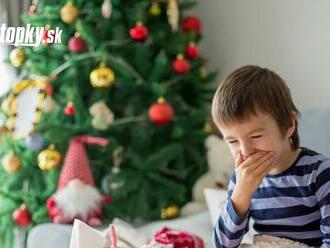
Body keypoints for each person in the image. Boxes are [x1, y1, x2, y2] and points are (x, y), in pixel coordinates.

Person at [211, 65, 330, 247]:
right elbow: (222, 245)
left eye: (256, 136)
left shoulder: (320, 172)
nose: (245, 151)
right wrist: (241, 194)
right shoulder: (241, 179)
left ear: (289, 124)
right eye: (233, 141)